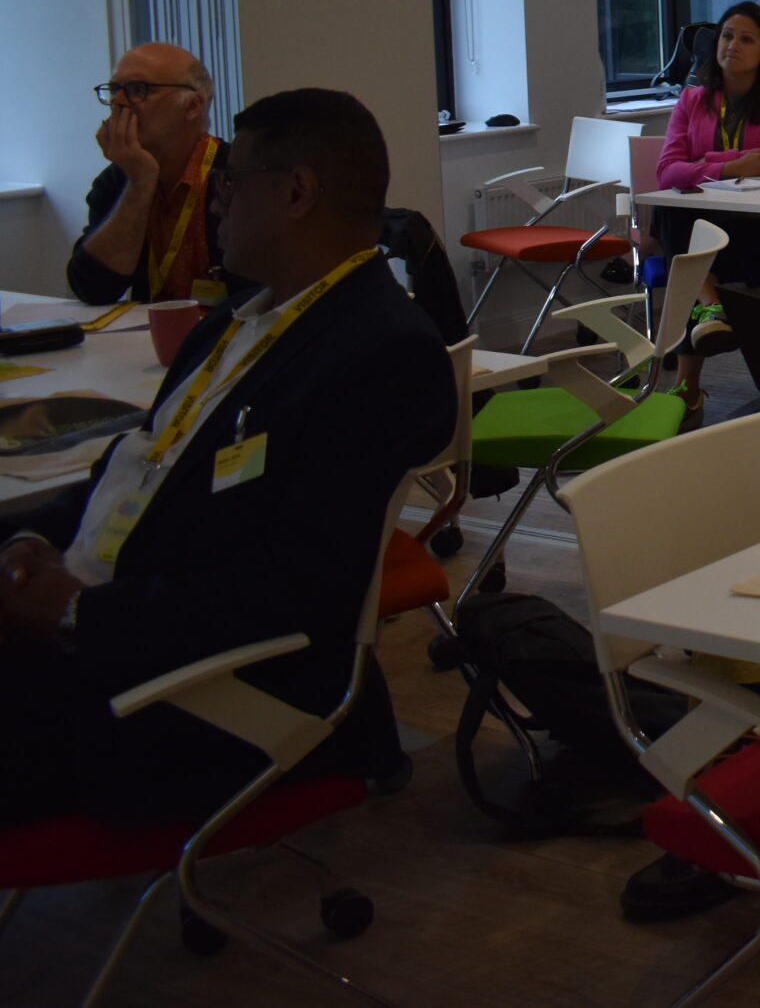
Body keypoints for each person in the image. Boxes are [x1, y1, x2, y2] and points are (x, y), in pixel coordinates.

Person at [0, 89, 456, 827]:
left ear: (297, 192)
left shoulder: (381, 351)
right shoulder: (229, 324)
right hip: (95, 623)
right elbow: (137, 464)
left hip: (176, 689)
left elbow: (297, 584)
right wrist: (28, 540)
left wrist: (79, 614)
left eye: (231, 181)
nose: (216, 200)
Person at [654, 1, 760, 406]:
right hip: (702, 231)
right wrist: (732, 165)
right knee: (673, 209)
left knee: (682, 245)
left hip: (757, 227)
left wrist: (703, 162)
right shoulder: (692, 99)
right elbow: (666, 172)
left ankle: (688, 388)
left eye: (746, 39)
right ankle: (712, 305)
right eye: (726, 36)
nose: (732, 45)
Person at [67, 42, 247, 305]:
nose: (118, 101)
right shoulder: (117, 180)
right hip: (149, 329)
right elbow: (93, 289)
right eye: (115, 89)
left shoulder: (240, 177)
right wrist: (139, 182)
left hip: (228, 328)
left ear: (192, 106)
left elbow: (259, 294)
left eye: (138, 89)